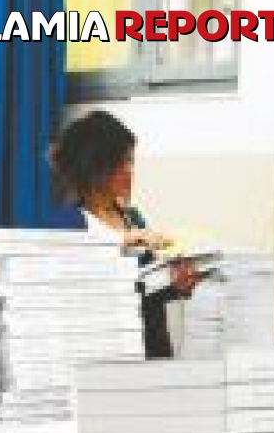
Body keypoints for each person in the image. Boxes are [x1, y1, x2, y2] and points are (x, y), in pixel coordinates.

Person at [50, 109, 200, 359]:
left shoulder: (133, 218)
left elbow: (145, 290)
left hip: (150, 353)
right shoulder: (67, 224)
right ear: (98, 167)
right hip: (103, 354)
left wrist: (176, 285)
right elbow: (81, 293)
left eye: (131, 161)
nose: (129, 171)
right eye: (123, 162)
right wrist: (122, 241)